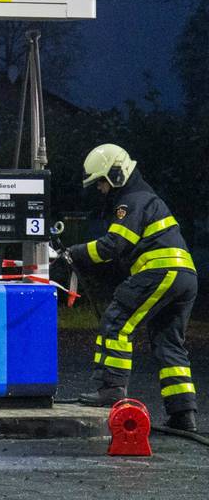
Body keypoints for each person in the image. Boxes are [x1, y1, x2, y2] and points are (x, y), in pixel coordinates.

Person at [61, 144, 198, 431]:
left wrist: (73, 253)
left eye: (101, 182)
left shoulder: (132, 200)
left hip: (160, 270)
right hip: (184, 276)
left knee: (117, 320)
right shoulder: (147, 198)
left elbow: (113, 246)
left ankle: (111, 388)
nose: (100, 189)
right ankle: (184, 414)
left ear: (116, 174)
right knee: (168, 343)